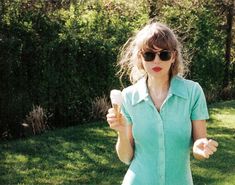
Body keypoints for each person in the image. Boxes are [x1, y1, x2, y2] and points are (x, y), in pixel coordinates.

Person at [106, 21, 219, 185]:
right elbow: (126, 158)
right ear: (140, 58)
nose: (156, 61)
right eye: (149, 55)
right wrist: (121, 131)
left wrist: (200, 147)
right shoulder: (128, 97)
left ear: (173, 56)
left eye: (164, 54)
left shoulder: (193, 92)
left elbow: (199, 143)